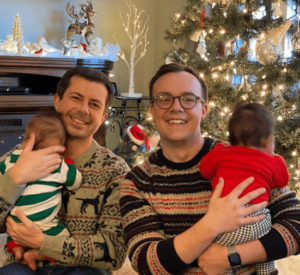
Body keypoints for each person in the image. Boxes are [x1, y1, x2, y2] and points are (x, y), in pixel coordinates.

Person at [119, 63, 300, 275]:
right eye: (164, 98)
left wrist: (233, 256)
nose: (176, 107)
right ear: (152, 108)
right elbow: (145, 263)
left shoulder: (241, 157)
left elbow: (296, 224)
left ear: (203, 109)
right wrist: (212, 224)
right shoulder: (137, 183)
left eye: (188, 99)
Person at [0, 67, 130, 275]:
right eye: (76, 98)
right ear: (57, 101)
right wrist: (16, 178)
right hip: (24, 267)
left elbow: (114, 252)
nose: (84, 110)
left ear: (103, 115)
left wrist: (43, 243)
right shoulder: (21, 155)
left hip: (83, 270)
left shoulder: (115, 170)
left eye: (94, 104)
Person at [199, 101, 289, 275]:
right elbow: (282, 180)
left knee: (214, 249)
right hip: (259, 223)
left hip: (225, 226)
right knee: (266, 243)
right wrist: (275, 156)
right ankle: (266, 271)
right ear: (268, 140)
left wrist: (219, 149)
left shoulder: (221, 153)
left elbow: (204, 170)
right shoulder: (271, 160)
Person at [0, 113, 82, 271]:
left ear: (26, 140)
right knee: (62, 239)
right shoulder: (56, 164)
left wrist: (11, 175)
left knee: (13, 233)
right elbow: (75, 181)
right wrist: (68, 163)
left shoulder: (11, 159)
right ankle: (35, 255)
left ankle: (17, 250)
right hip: (45, 224)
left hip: (16, 223)